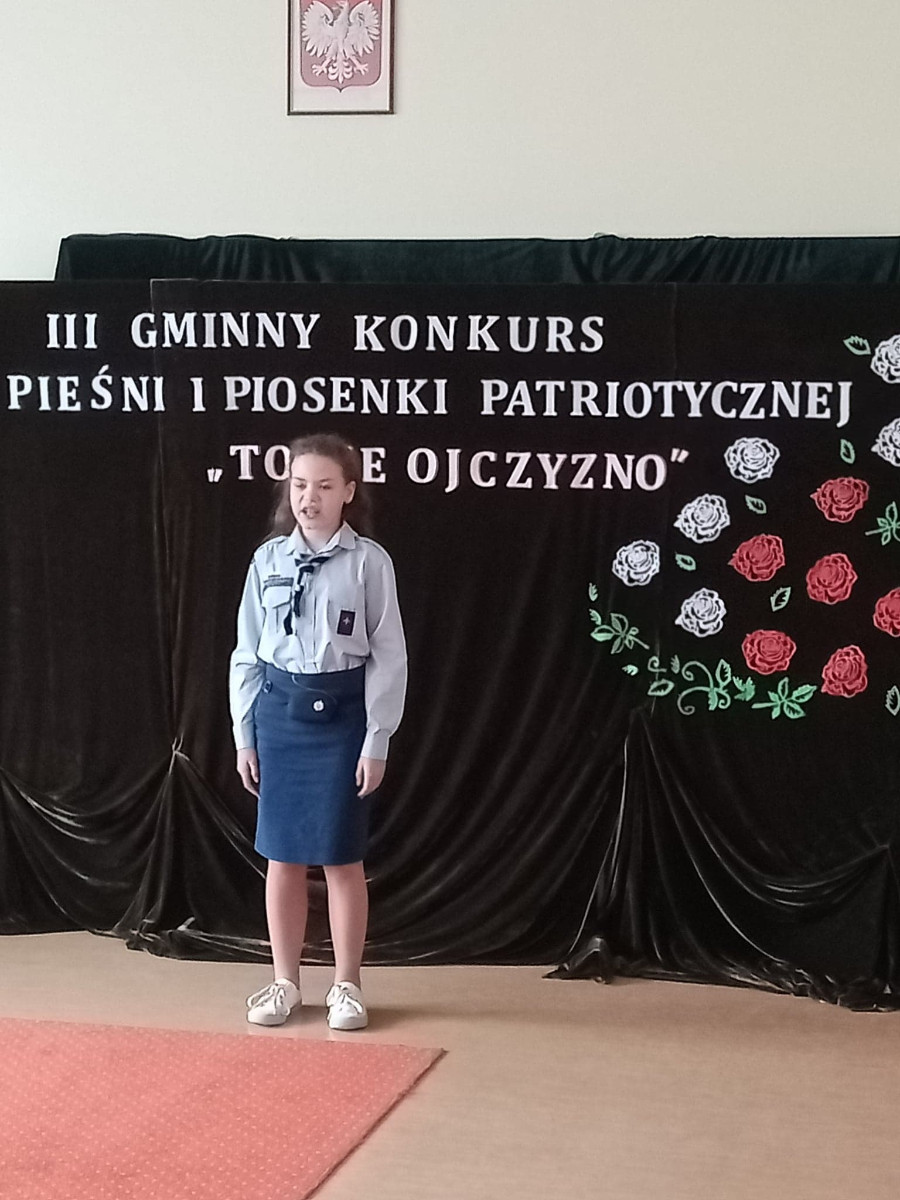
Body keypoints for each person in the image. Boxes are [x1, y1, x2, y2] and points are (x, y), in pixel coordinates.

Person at [229, 433, 407, 1029]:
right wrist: (244, 734)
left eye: (325, 486)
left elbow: (389, 656)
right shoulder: (267, 561)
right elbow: (246, 654)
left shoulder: (369, 562)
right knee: (281, 855)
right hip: (280, 716)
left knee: (340, 856)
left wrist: (377, 739)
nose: (310, 498)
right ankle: (284, 983)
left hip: (342, 719)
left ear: (348, 492)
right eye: (300, 485)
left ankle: (346, 986)